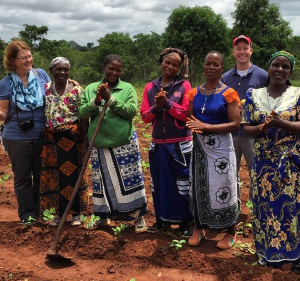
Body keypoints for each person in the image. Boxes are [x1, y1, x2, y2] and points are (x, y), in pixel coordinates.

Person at [242, 51, 300, 273]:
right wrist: (262, 127)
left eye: (286, 67)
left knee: (290, 208)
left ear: (290, 71)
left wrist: (279, 123)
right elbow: (246, 128)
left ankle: (294, 257)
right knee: (265, 207)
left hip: (290, 163)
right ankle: (268, 254)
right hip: (263, 163)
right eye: (276, 65)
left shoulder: (297, 94)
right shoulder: (253, 95)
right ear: (269, 67)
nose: (280, 70)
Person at [79, 54, 147, 233]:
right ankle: (102, 218)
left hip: (123, 143)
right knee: (100, 183)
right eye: (111, 68)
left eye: (118, 70)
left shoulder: (128, 88)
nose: (114, 72)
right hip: (99, 144)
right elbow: (83, 113)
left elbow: (131, 111)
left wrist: (111, 100)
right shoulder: (92, 89)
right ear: (104, 67)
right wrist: (97, 101)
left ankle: (138, 218)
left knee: (131, 181)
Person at [186, 51, 240, 249]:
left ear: (221, 69)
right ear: (203, 67)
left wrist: (208, 127)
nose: (211, 67)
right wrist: (197, 127)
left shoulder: (229, 93)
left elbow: (235, 124)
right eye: (208, 63)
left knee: (224, 186)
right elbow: (190, 119)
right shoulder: (193, 93)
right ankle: (199, 228)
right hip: (199, 147)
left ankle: (230, 232)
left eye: (215, 64)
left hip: (221, 149)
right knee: (198, 186)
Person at [140, 47, 193, 237]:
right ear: (161, 62)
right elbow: (145, 117)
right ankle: (162, 221)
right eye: (167, 62)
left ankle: (185, 222)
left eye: (175, 65)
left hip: (180, 144)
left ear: (179, 68)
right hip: (159, 145)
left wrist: (168, 104)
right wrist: (157, 106)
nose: (170, 67)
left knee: (182, 182)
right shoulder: (149, 87)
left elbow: (187, 115)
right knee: (160, 182)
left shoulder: (184, 86)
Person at [0, 40, 50, 224]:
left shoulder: (41, 75)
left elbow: (53, 97)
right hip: (16, 137)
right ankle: (27, 215)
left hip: (41, 134)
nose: (29, 60)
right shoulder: (5, 84)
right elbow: (4, 113)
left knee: (41, 175)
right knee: (22, 178)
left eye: (30, 56)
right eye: (24, 58)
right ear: (13, 60)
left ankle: (40, 211)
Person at [39, 57, 89, 227]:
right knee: (55, 177)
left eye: (66, 69)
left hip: (72, 139)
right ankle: (58, 214)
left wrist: (85, 141)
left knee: (74, 177)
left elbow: (83, 117)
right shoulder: (45, 88)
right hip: (52, 140)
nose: (62, 72)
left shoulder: (76, 90)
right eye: (58, 69)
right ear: (51, 70)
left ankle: (76, 213)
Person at [221, 35, 268, 182]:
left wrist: (252, 109)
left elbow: (269, 102)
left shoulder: (262, 76)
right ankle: (233, 204)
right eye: (238, 49)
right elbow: (220, 104)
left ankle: (257, 204)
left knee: (256, 173)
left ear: (251, 51)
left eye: (245, 48)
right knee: (229, 175)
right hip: (231, 134)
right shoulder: (225, 78)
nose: (242, 52)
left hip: (253, 134)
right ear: (233, 52)